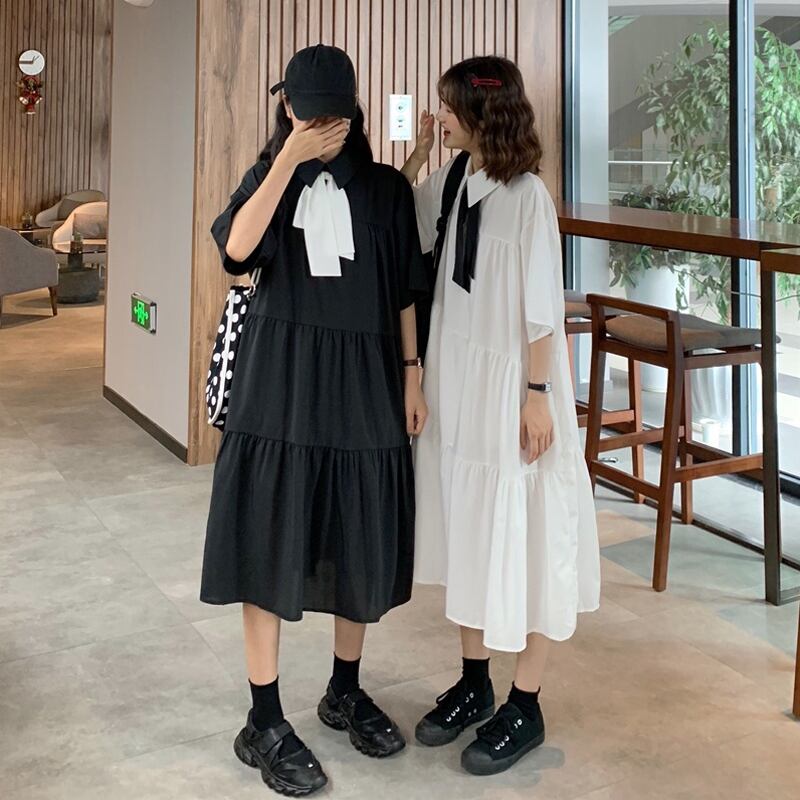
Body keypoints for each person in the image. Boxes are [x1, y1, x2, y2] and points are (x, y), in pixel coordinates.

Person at [200, 45, 428, 797]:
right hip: (280, 378)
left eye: (334, 116)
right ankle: (263, 718)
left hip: (364, 377)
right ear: (287, 109)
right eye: (308, 115)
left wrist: (412, 374)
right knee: (267, 532)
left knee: (356, 532)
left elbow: (404, 291)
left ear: (354, 113)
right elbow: (237, 250)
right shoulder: (268, 177)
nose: (322, 127)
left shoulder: (387, 190)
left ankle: (344, 689)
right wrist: (287, 161)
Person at [402, 55, 600, 776]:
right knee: (470, 528)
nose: (441, 116)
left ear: (482, 113)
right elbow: (401, 216)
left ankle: (527, 700)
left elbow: (543, 308)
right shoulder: (457, 179)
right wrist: (420, 154)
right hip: (459, 380)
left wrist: (538, 394)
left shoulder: (528, 198)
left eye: (448, 107)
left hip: (516, 383)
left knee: (528, 533)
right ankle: (474, 681)